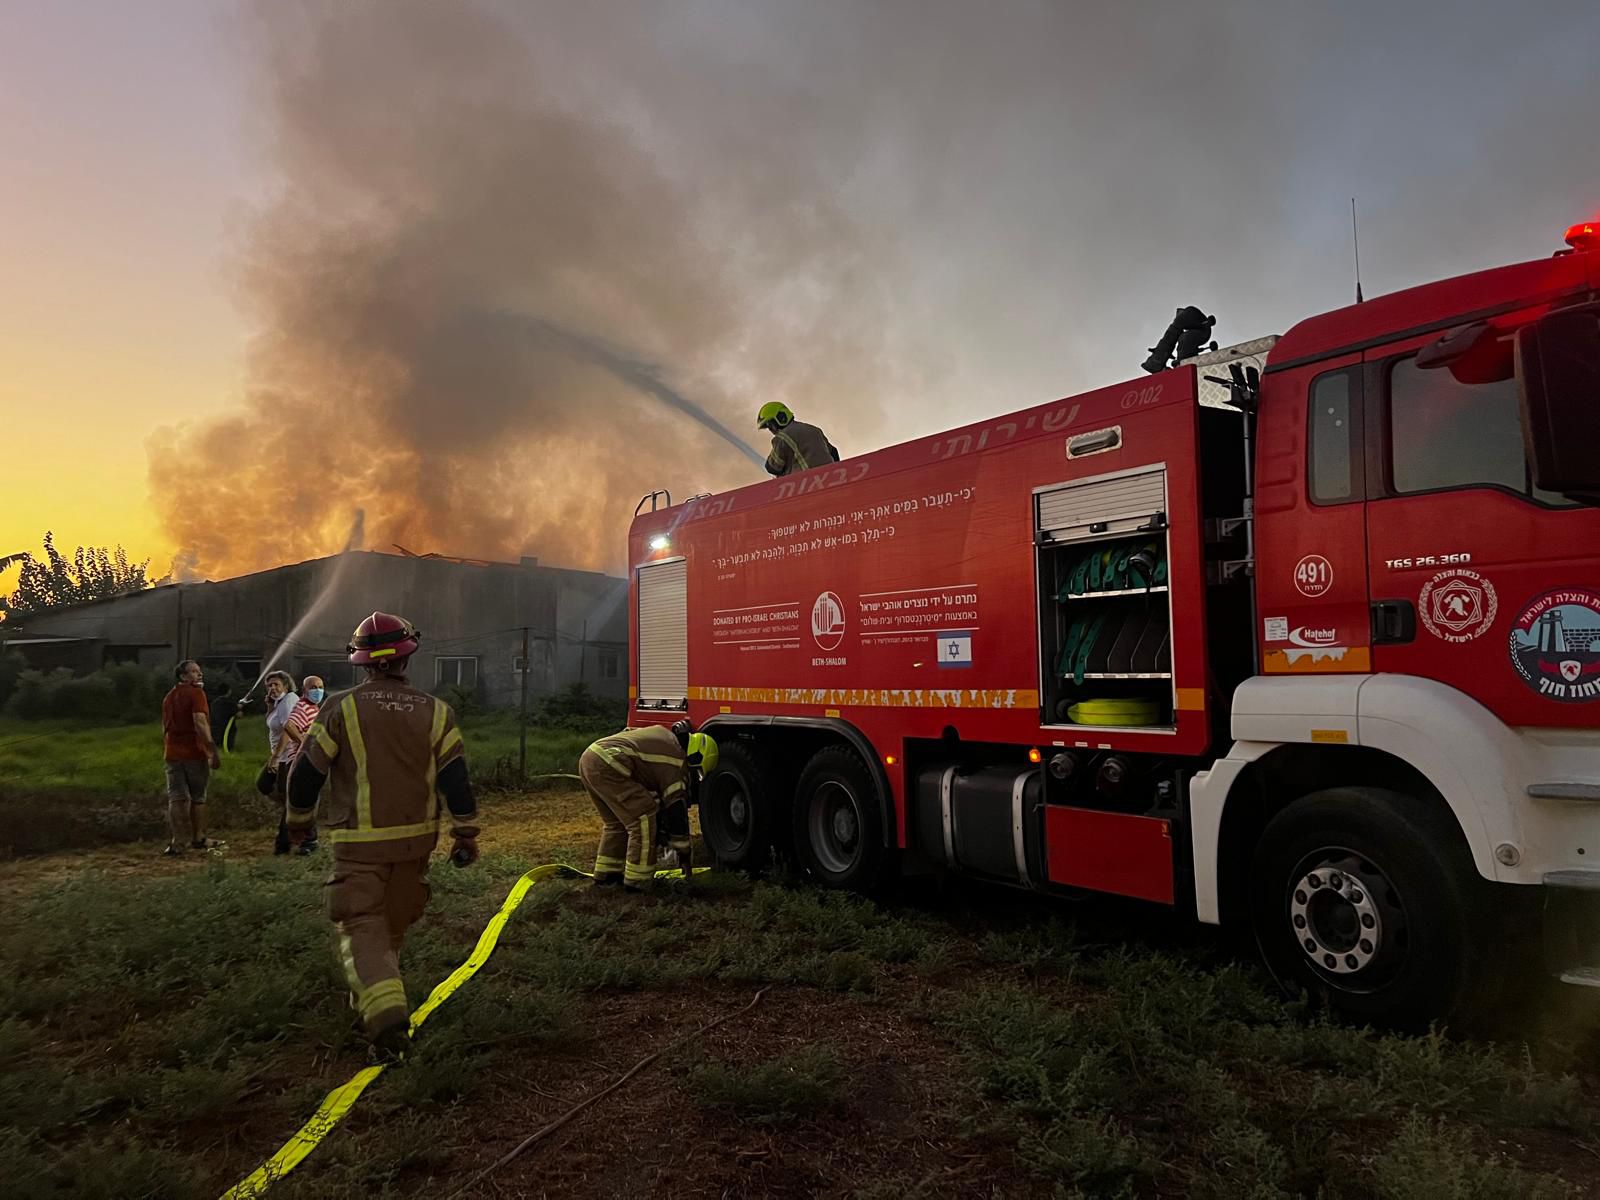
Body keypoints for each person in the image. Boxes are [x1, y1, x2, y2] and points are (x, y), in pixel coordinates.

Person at [285, 612, 480, 1063]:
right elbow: (458, 783)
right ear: (407, 656)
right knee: (391, 926)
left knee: (361, 924)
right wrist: (465, 833)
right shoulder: (438, 713)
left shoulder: (340, 707)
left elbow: (305, 775)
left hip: (359, 847)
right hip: (417, 846)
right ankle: (377, 997)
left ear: (361, 662)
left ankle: (387, 1017)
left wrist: (298, 823)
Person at [579, 719, 718, 892]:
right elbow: (676, 810)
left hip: (591, 758)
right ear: (695, 755)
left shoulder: (665, 737)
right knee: (643, 818)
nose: (691, 774)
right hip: (611, 762)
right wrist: (683, 851)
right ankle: (638, 882)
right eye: (696, 770)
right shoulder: (677, 761)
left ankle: (607, 876)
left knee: (617, 823)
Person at [161, 660, 222, 856]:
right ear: (183, 676)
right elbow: (200, 722)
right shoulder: (197, 694)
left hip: (172, 753)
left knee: (177, 798)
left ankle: (177, 842)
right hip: (194, 753)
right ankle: (199, 838)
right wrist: (212, 750)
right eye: (194, 672)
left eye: (199, 671)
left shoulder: (169, 697)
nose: (199, 674)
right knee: (198, 797)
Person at [272, 674, 324, 855]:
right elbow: (289, 725)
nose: (318, 691)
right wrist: (304, 744)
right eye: (313, 687)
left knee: (294, 804)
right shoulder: (303, 706)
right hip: (300, 761)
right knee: (306, 803)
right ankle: (308, 841)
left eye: (320, 687)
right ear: (305, 690)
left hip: (301, 761)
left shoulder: (311, 707)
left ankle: (284, 843)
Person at [757, 401, 839, 478]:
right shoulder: (814, 429)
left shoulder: (781, 437)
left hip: (807, 484)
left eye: (771, 425)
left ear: (781, 418)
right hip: (833, 479)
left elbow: (773, 467)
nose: (772, 430)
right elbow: (833, 452)